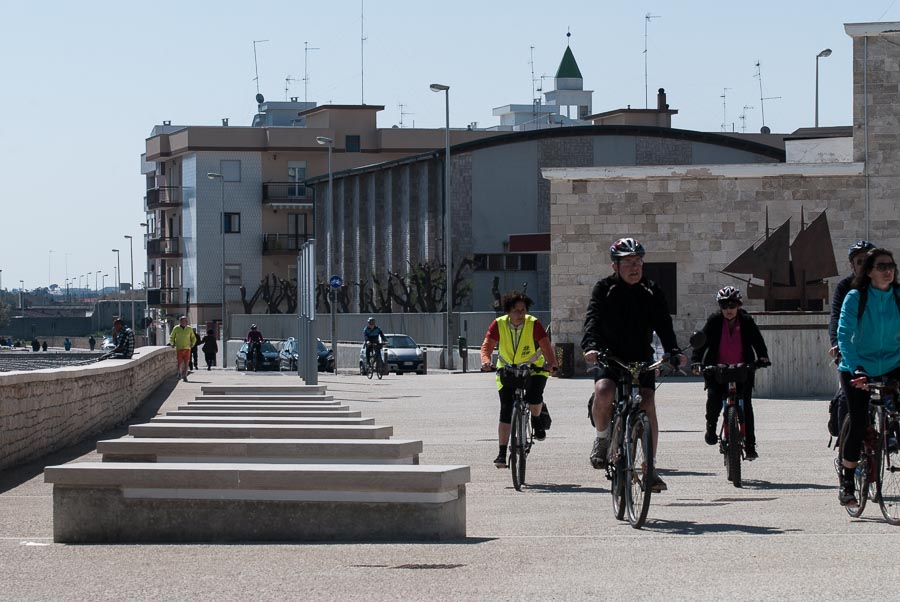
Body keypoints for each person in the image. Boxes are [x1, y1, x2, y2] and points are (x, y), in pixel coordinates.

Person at [581, 237, 685, 493]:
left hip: (641, 357)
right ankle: (603, 438)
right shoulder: (604, 289)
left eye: (638, 261)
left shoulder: (652, 290)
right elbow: (592, 319)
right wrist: (591, 347)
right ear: (615, 266)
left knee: (648, 402)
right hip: (609, 355)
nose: (634, 266)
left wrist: (672, 351)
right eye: (627, 262)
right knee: (604, 390)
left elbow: (663, 324)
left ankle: (649, 468)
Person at [836, 248, 900, 507]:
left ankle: (892, 435)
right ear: (870, 271)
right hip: (858, 365)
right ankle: (848, 481)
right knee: (860, 421)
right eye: (882, 266)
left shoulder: (898, 296)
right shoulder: (856, 297)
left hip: (893, 363)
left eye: (891, 265)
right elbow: (844, 335)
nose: (888, 270)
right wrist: (856, 367)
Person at [480, 290, 559, 468]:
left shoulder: (534, 324)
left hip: (534, 367)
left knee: (534, 396)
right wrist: (486, 362)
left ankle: (537, 418)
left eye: (523, 310)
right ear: (508, 311)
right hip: (507, 368)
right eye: (516, 310)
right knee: (506, 409)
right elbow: (487, 346)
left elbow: (546, 345)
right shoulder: (498, 324)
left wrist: (552, 364)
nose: (520, 314)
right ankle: (501, 453)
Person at [691, 286, 770, 460]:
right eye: (724, 306)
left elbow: (758, 340)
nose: (728, 310)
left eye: (732, 306)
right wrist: (696, 360)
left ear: (739, 305)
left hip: (743, 369)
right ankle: (711, 429)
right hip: (717, 369)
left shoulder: (747, 321)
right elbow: (701, 342)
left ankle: (750, 446)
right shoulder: (714, 321)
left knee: (746, 406)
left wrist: (763, 357)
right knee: (713, 400)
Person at [830, 240, 876, 358]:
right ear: (852, 266)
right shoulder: (844, 287)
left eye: (868, 261)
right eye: (860, 262)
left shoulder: (888, 286)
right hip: (853, 351)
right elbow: (836, 317)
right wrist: (836, 344)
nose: (865, 265)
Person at [169, 316, 196, 381]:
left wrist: (192, 343)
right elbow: (172, 337)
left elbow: (193, 337)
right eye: (184, 321)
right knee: (179, 362)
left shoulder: (189, 328)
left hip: (187, 348)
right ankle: (180, 373)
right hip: (179, 348)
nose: (186, 322)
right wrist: (172, 343)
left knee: (186, 362)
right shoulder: (176, 328)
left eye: (186, 321)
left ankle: (185, 376)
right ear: (180, 321)